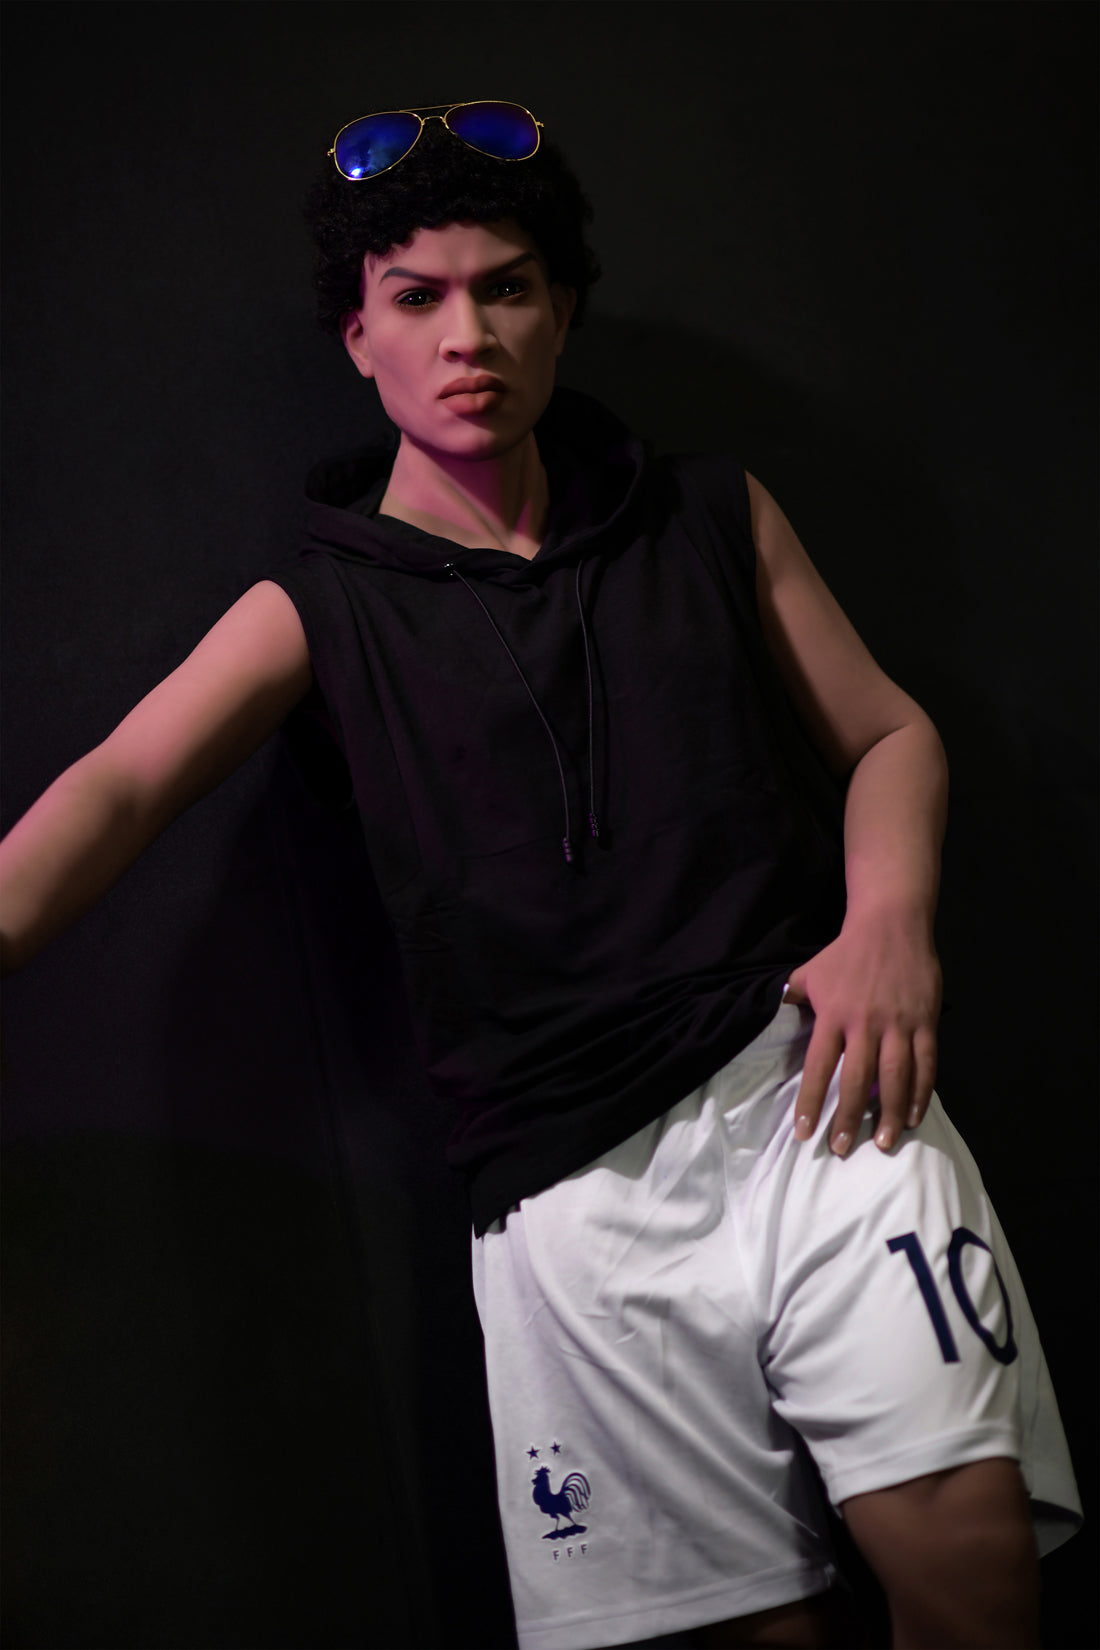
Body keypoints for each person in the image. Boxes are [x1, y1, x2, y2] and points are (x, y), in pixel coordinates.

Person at [0, 101, 1081, 1649]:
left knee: (974, 1579)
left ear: (562, 308)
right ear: (358, 334)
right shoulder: (319, 607)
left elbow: (891, 731)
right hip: (571, 1188)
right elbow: (113, 787)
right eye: (419, 296)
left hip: (819, 1098)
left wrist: (889, 922)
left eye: (507, 287)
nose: (470, 335)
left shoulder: (709, 515)